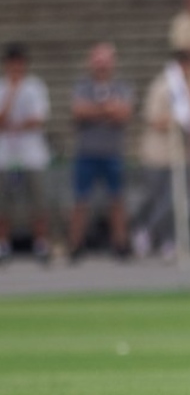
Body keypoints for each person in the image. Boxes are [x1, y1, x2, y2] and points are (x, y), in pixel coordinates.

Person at [67, 42, 135, 260]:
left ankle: (120, 242)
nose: (101, 67)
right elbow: (79, 111)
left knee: (116, 199)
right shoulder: (82, 86)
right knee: (80, 200)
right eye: (98, 62)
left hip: (112, 152)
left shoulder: (122, 86)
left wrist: (96, 110)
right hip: (86, 152)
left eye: (105, 62)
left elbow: (123, 114)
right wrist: (106, 109)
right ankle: (76, 244)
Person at [133, 52, 190, 261]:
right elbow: (153, 119)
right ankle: (146, 232)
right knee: (160, 199)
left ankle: (167, 241)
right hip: (157, 154)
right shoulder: (161, 86)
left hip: (179, 154)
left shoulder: (187, 88)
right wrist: (177, 121)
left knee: (176, 199)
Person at [0, 43, 53, 264]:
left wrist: (16, 124)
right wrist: (12, 93)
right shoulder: (2, 88)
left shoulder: (35, 87)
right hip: (5, 155)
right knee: (4, 203)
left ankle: (40, 243)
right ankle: (3, 244)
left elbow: (37, 120)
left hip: (32, 154)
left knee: (37, 201)